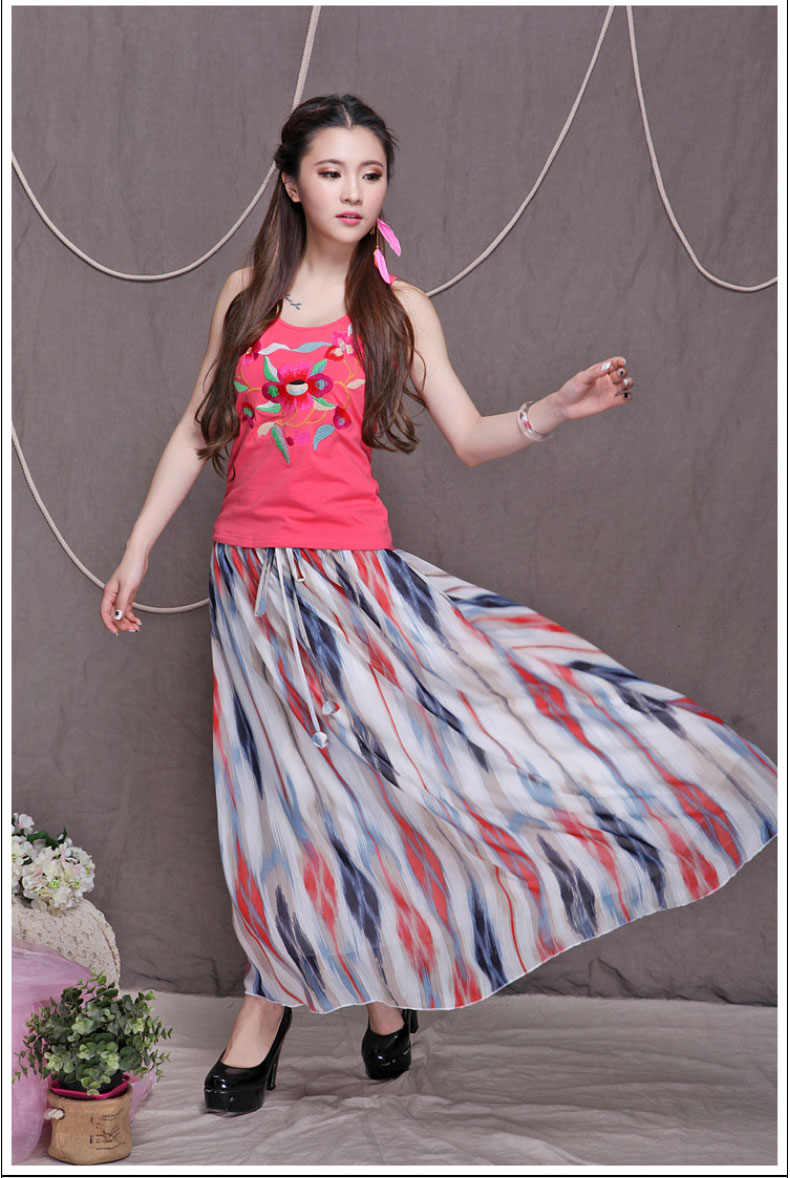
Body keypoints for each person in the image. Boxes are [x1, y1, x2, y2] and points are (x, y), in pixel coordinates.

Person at [100, 94, 777, 1116]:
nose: (353, 192)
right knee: (279, 802)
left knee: (380, 782)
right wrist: (138, 548)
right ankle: (379, 997)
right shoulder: (245, 296)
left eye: (370, 174)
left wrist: (556, 408)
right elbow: (201, 428)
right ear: (291, 182)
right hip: (251, 589)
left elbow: (467, 433)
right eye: (332, 171)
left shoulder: (396, 308)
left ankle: (272, 1007)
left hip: (353, 588)